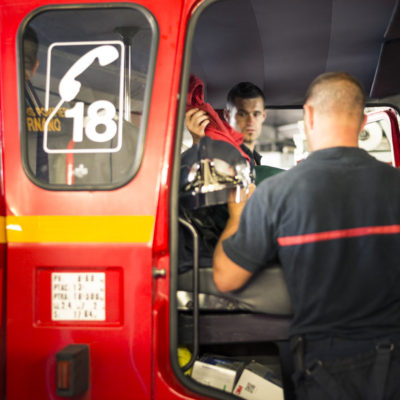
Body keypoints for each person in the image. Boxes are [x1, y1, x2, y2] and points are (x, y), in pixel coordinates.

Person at [213, 72, 400, 399]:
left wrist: (236, 217)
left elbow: (226, 279)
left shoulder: (274, 194)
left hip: (325, 367)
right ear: (363, 120)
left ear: (308, 116)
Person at [186, 81, 266, 166]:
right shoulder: (216, 153)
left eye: (256, 114)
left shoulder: (256, 159)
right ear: (227, 115)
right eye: (242, 114)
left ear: (264, 115)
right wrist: (198, 143)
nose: (250, 121)